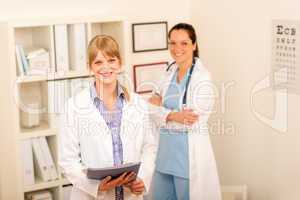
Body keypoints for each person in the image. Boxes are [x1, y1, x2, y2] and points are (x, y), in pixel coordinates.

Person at [58, 35, 157, 200]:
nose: (106, 67)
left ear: (119, 63)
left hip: (129, 194)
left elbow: (150, 147)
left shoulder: (137, 102)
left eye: (111, 60)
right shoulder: (74, 106)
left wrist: (142, 179)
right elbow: (68, 161)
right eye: (98, 62)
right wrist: (95, 186)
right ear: (90, 67)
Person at [148, 23, 221, 200]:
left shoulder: (202, 78)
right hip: (163, 157)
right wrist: (173, 115)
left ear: (194, 45)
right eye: (172, 43)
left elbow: (190, 121)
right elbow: (149, 108)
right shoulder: (168, 72)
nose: (177, 48)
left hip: (187, 160)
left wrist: (162, 112)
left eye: (184, 43)